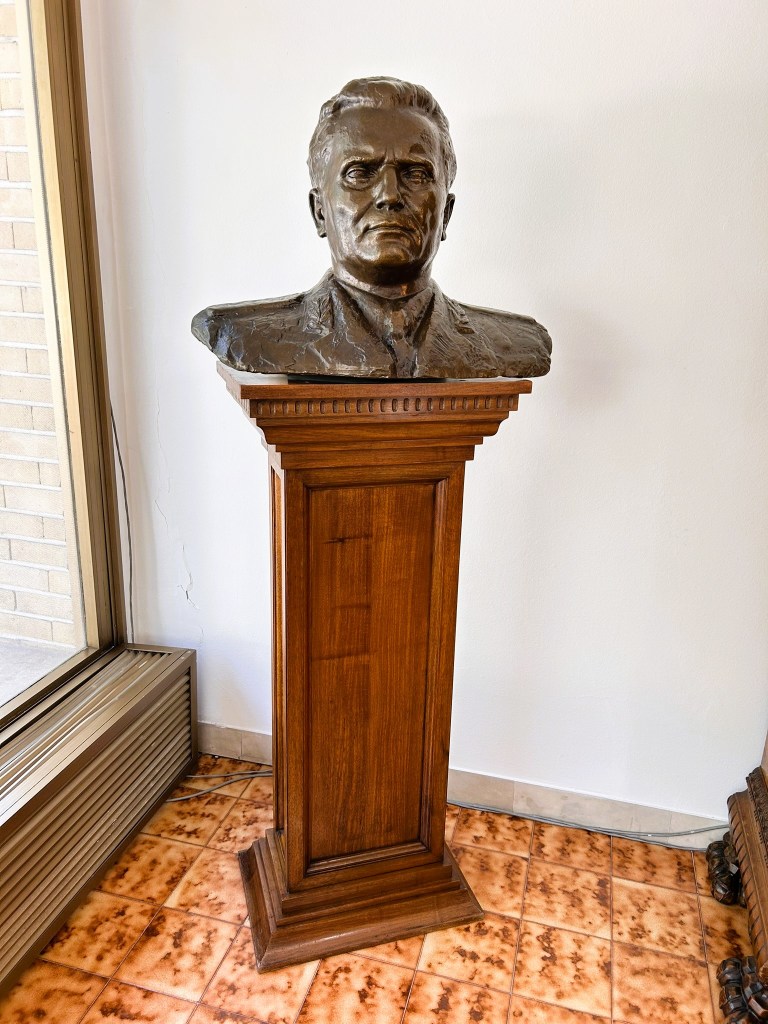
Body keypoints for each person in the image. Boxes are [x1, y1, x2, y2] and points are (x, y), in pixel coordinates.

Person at [192, 77, 551, 379]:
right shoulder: (250, 335)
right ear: (320, 211)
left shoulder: (510, 340)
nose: (389, 196)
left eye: (415, 174)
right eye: (360, 173)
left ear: (446, 214)